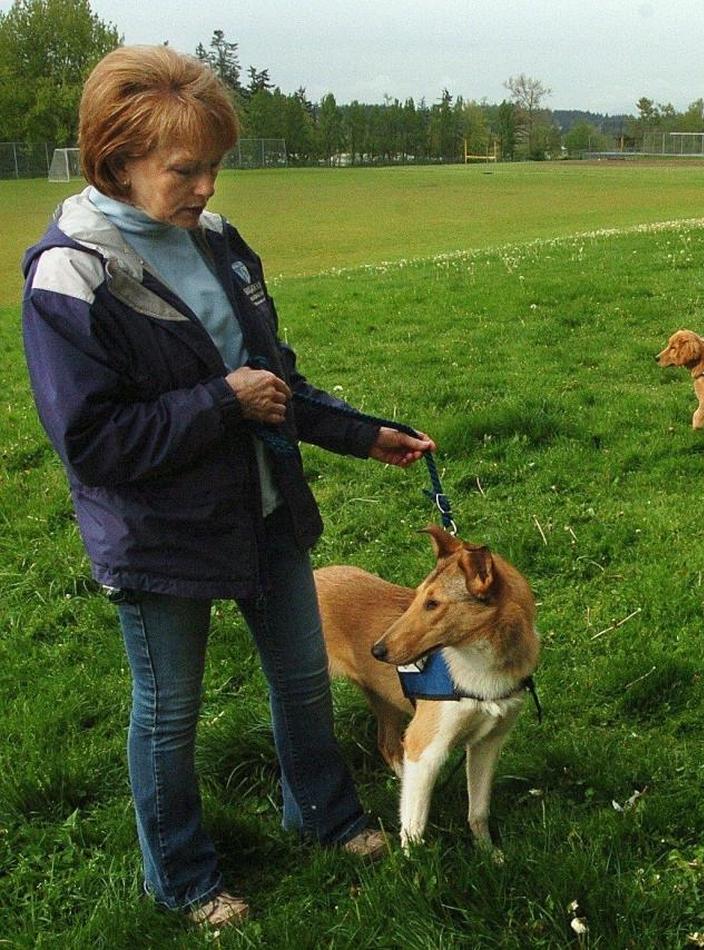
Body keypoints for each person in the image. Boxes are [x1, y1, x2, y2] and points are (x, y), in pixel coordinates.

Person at [21, 46, 436, 928]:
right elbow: (92, 443)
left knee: (301, 679)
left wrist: (365, 435)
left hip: (265, 511)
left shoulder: (218, 244)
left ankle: (324, 816)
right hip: (159, 536)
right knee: (169, 713)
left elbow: (272, 378)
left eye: (214, 165)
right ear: (117, 158)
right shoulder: (71, 274)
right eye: (186, 169)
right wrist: (220, 401)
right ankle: (182, 877)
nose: (208, 186)